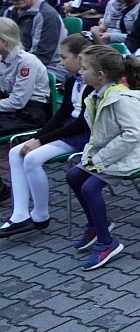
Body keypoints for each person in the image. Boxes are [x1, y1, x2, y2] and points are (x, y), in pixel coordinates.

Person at [68, 45, 140, 270]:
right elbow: (98, 134)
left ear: (100, 75)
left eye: (84, 68)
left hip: (137, 155)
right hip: (113, 153)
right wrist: (91, 157)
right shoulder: (96, 95)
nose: (80, 72)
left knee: (90, 187)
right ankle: (96, 225)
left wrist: (99, 160)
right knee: (73, 175)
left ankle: (106, 243)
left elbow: (133, 136)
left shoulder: (123, 99)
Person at [0, 34, 92, 236]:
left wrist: (40, 140)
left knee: (32, 158)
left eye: (64, 57)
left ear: (80, 58)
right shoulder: (71, 82)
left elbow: (80, 124)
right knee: (16, 153)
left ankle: (40, 215)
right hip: (70, 129)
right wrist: (38, 136)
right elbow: (62, 114)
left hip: (85, 134)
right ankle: (19, 215)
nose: (60, 62)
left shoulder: (92, 84)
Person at [0, 16, 50, 141]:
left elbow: (18, 101)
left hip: (29, 113)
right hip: (10, 105)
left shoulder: (26, 62)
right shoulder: (2, 59)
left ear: (3, 42)